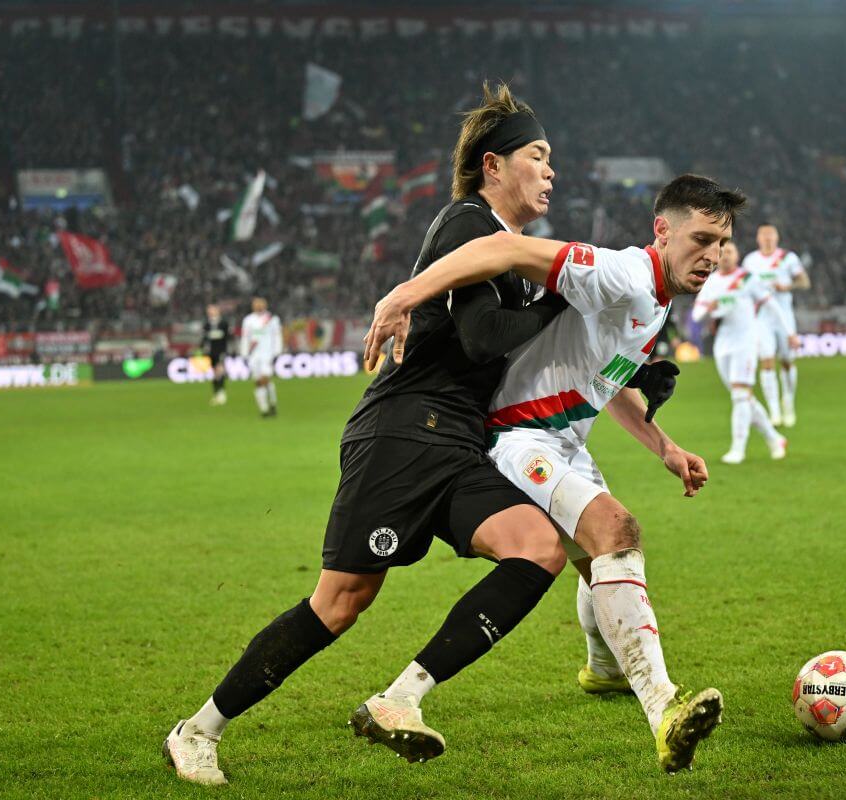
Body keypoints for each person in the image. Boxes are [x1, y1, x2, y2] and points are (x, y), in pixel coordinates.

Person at [164, 82, 571, 785]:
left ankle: (399, 697)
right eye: (537, 155)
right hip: (403, 433)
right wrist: (563, 295)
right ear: (493, 166)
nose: (551, 170)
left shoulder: (509, 249)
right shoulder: (467, 225)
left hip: (457, 441)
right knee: (341, 602)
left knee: (536, 549)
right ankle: (197, 730)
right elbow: (481, 339)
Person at [366, 173, 745, 773]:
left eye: (721, 243)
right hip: (518, 437)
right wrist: (406, 294)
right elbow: (505, 250)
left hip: (562, 439)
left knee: (600, 557)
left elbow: (606, 381)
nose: (712, 256)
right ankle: (664, 709)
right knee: (616, 531)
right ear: (662, 231)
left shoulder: (656, 301)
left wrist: (665, 447)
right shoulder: (622, 272)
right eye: (700, 239)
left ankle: (600, 670)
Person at [692, 241, 788, 463]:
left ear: (737, 255)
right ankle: (774, 438)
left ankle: (738, 449)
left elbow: (771, 305)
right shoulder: (711, 282)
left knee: (740, 396)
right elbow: (697, 315)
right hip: (723, 346)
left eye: (730, 251)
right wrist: (709, 309)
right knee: (743, 398)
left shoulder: (747, 279)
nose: (725, 256)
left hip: (746, 343)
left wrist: (789, 333)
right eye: (722, 252)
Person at [742, 224, 809, 427]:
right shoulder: (750, 261)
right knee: (767, 361)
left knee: (787, 361)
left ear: (777, 238)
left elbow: (804, 282)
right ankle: (775, 410)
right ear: (758, 239)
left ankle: (788, 400)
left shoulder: (787, 258)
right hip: (762, 319)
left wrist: (788, 286)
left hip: (785, 317)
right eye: (764, 236)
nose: (767, 239)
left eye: (771, 235)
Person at [239, 297, 283, 417]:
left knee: (264, 380)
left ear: (265, 305)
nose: (258, 306)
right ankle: (266, 408)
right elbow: (245, 338)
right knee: (258, 383)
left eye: (260, 304)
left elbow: (277, 336)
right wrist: (244, 354)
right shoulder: (248, 320)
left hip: (267, 355)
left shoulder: (272, 319)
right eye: (256, 304)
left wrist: (277, 352)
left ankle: (269, 406)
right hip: (254, 356)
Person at [200, 303, 231, 405]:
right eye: (209, 310)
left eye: (212, 310)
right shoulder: (207, 324)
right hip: (211, 352)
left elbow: (228, 337)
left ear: (217, 311)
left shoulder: (224, 323)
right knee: (214, 373)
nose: (210, 312)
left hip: (221, 351)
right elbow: (204, 339)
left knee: (219, 371)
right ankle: (216, 394)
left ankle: (221, 394)